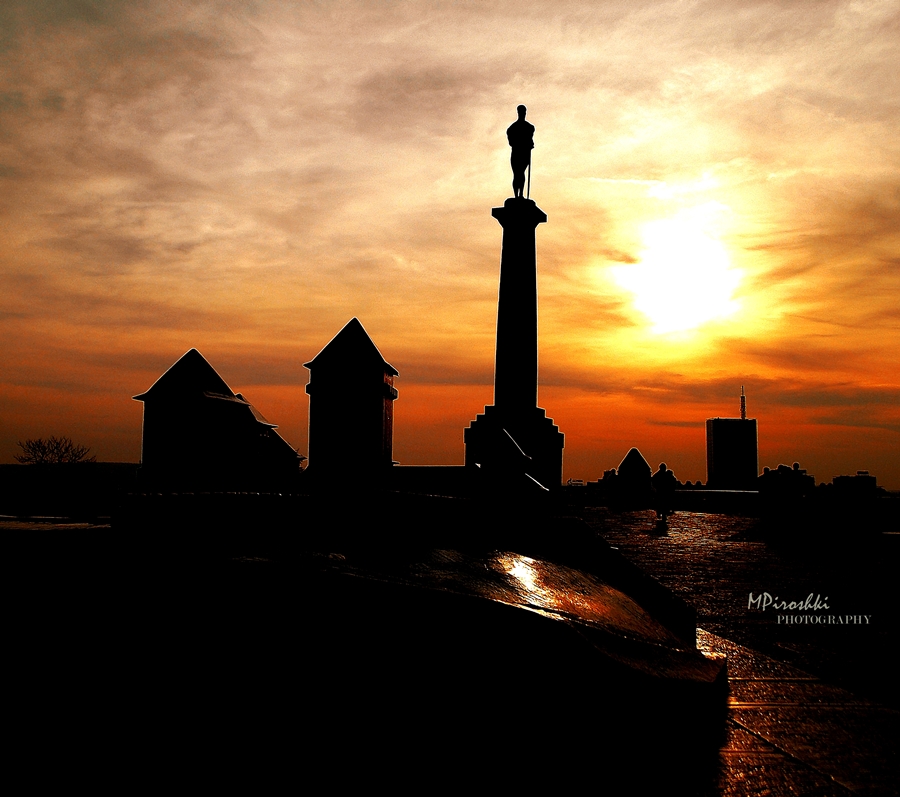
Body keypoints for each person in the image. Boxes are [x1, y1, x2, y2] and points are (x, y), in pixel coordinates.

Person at [507, 105, 534, 198]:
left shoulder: (529, 127)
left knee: (521, 173)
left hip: (524, 154)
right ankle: (516, 196)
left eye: (524, 112)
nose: (523, 114)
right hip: (516, 153)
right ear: (518, 113)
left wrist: (529, 145)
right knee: (516, 174)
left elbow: (531, 142)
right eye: (521, 112)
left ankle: (521, 194)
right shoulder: (512, 128)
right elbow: (511, 142)